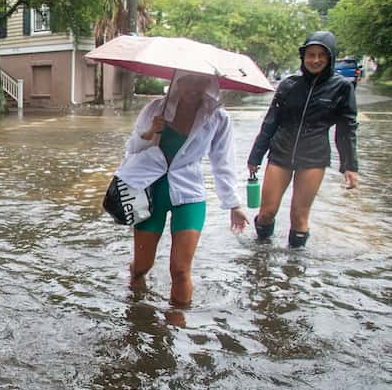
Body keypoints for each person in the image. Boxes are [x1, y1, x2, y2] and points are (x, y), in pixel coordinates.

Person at [117, 71, 249, 306]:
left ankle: (177, 326)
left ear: (209, 83)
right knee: (142, 267)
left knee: (180, 270)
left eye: (200, 81)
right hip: (150, 190)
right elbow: (132, 150)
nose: (193, 87)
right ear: (178, 81)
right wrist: (150, 133)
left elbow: (223, 161)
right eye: (188, 80)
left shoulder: (217, 117)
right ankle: (135, 313)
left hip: (189, 192)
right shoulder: (156, 108)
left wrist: (233, 204)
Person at [247, 31, 358, 248]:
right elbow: (270, 122)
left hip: (313, 157)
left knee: (299, 216)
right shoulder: (289, 85)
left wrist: (350, 166)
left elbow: (347, 129)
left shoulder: (342, 87)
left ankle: (294, 267)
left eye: (321, 55)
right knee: (267, 211)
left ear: (330, 58)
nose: (315, 60)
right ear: (303, 57)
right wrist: (256, 156)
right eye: (310, 55)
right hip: (281, 153)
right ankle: (260, 253)